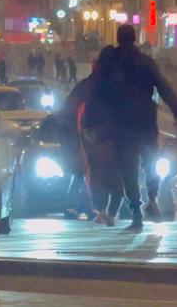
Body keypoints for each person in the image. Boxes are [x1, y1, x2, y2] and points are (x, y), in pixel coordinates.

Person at [96, 25, 177, 231]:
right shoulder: (146, 62)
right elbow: (163, 87)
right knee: (151, 163)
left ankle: (136, 214)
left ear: (118, 38)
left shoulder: (111, 63)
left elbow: (99, 93)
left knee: (129, 171)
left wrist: (96, 121)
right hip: (145, 122)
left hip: (121, 124)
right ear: (135, 39)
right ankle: (152, 199)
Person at [66, 46, 123, 226]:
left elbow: (70, 110)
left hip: (93, 135)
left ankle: (102, 210)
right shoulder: (122, 83)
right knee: (116, 174)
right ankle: (111, 212)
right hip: (115, 135)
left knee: (97, 173)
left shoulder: (88, 85)